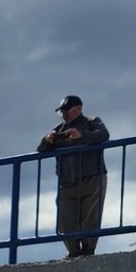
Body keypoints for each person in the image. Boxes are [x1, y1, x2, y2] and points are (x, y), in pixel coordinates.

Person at [38, 94, 110, 258]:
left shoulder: (92, 122)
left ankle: (87, 252)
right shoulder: (58, 130)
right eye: (61, 112)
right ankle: (73, 252)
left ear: (79, 108)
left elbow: (104, 135)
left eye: (67, 110)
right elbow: (41, 150)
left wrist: (81, 135)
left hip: (92, 177)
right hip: (67, 182)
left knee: (89, 219)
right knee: (65, 219)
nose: (64, 114)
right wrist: (46, 140)